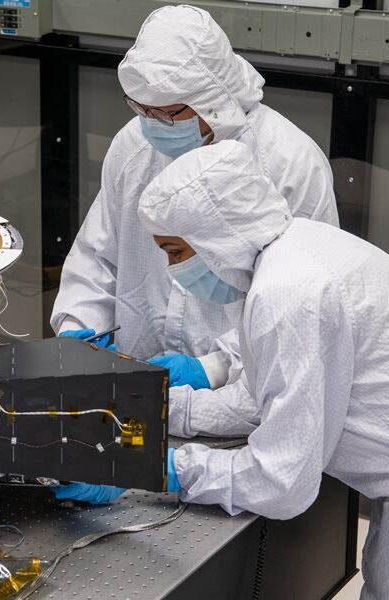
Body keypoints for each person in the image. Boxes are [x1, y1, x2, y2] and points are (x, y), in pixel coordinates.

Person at [133, 139, 389, 599]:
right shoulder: (298, 247)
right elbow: (262, 400)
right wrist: (159, 408)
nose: (172, 269)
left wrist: (164, 468)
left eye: (176, 252)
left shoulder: (287, 292)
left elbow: (281, 483)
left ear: (216, 237)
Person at [52, 4, 338, 441]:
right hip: (135, 397)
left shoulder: (290, 164)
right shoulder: (133, 146)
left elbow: (305, 311)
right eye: (142, 108)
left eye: (168, 113)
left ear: (213, 100)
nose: (153, 124)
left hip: (244, 405)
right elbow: (98, 254)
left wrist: (215, 366)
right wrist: (79, 328)